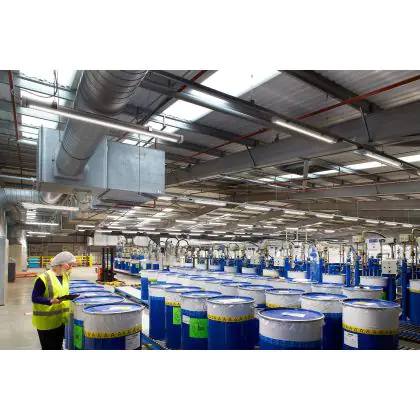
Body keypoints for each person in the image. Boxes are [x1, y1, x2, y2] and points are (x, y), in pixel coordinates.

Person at [32, 251, 76, 350]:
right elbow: (35, 297)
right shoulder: (43, 278)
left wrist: (75, 296)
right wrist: (50, 301)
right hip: (46, 322)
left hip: (60, 320)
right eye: (69, 264)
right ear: (60, 263)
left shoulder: (65, 276)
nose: (70, 267)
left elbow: (63, 293)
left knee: (58, 346)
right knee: (49, 348)